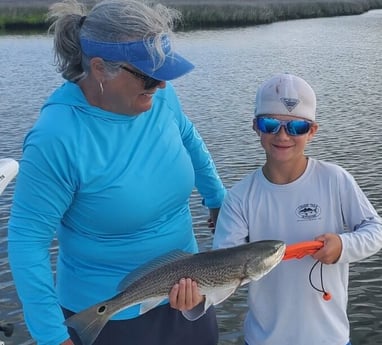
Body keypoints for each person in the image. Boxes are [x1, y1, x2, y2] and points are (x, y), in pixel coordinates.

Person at [7, 1, 226, 344]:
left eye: (163, 72)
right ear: (99, 68)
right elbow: (27, 240)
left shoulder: (156, 98)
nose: (163, 85)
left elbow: (190, 140)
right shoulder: (57, 137)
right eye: (150, 74)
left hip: (186, 291)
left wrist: (217, 199)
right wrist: (51, 336)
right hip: (108, 317)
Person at [212, 73, 382, 345]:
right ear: (256, 127)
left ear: (312, 131)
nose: (282, 136)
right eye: (271, 124)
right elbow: (222, 269)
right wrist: (194, 294)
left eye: (296, 128)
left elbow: (376, 231)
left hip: (331, 339)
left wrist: (343, 245)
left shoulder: (335, 179)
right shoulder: (239, 197)